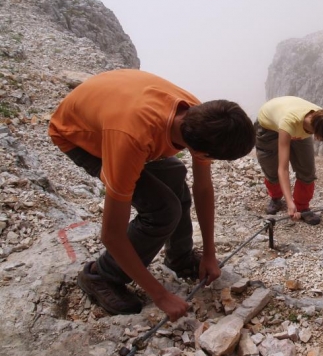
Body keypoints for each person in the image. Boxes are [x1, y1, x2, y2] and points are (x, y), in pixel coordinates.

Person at [48, 69, 256, 321]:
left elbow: (202, 188)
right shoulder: (132, 139)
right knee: (162, 209)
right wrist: (160, 295)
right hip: (79, 134)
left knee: (175, 173)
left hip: (116, 111)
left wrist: (210, 254)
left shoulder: (202, 118)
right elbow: (111, 234)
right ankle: (100, 275)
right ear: (202, 152)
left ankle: (179, 258)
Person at [255, 96, 323, 225]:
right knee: (272, 170)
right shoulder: (290, 122)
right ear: (318, 137)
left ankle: (302, 207)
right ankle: (276, 198)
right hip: (269, 127)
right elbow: (283, 168)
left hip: (297, 125)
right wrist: (290, 203)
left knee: (307, 170)